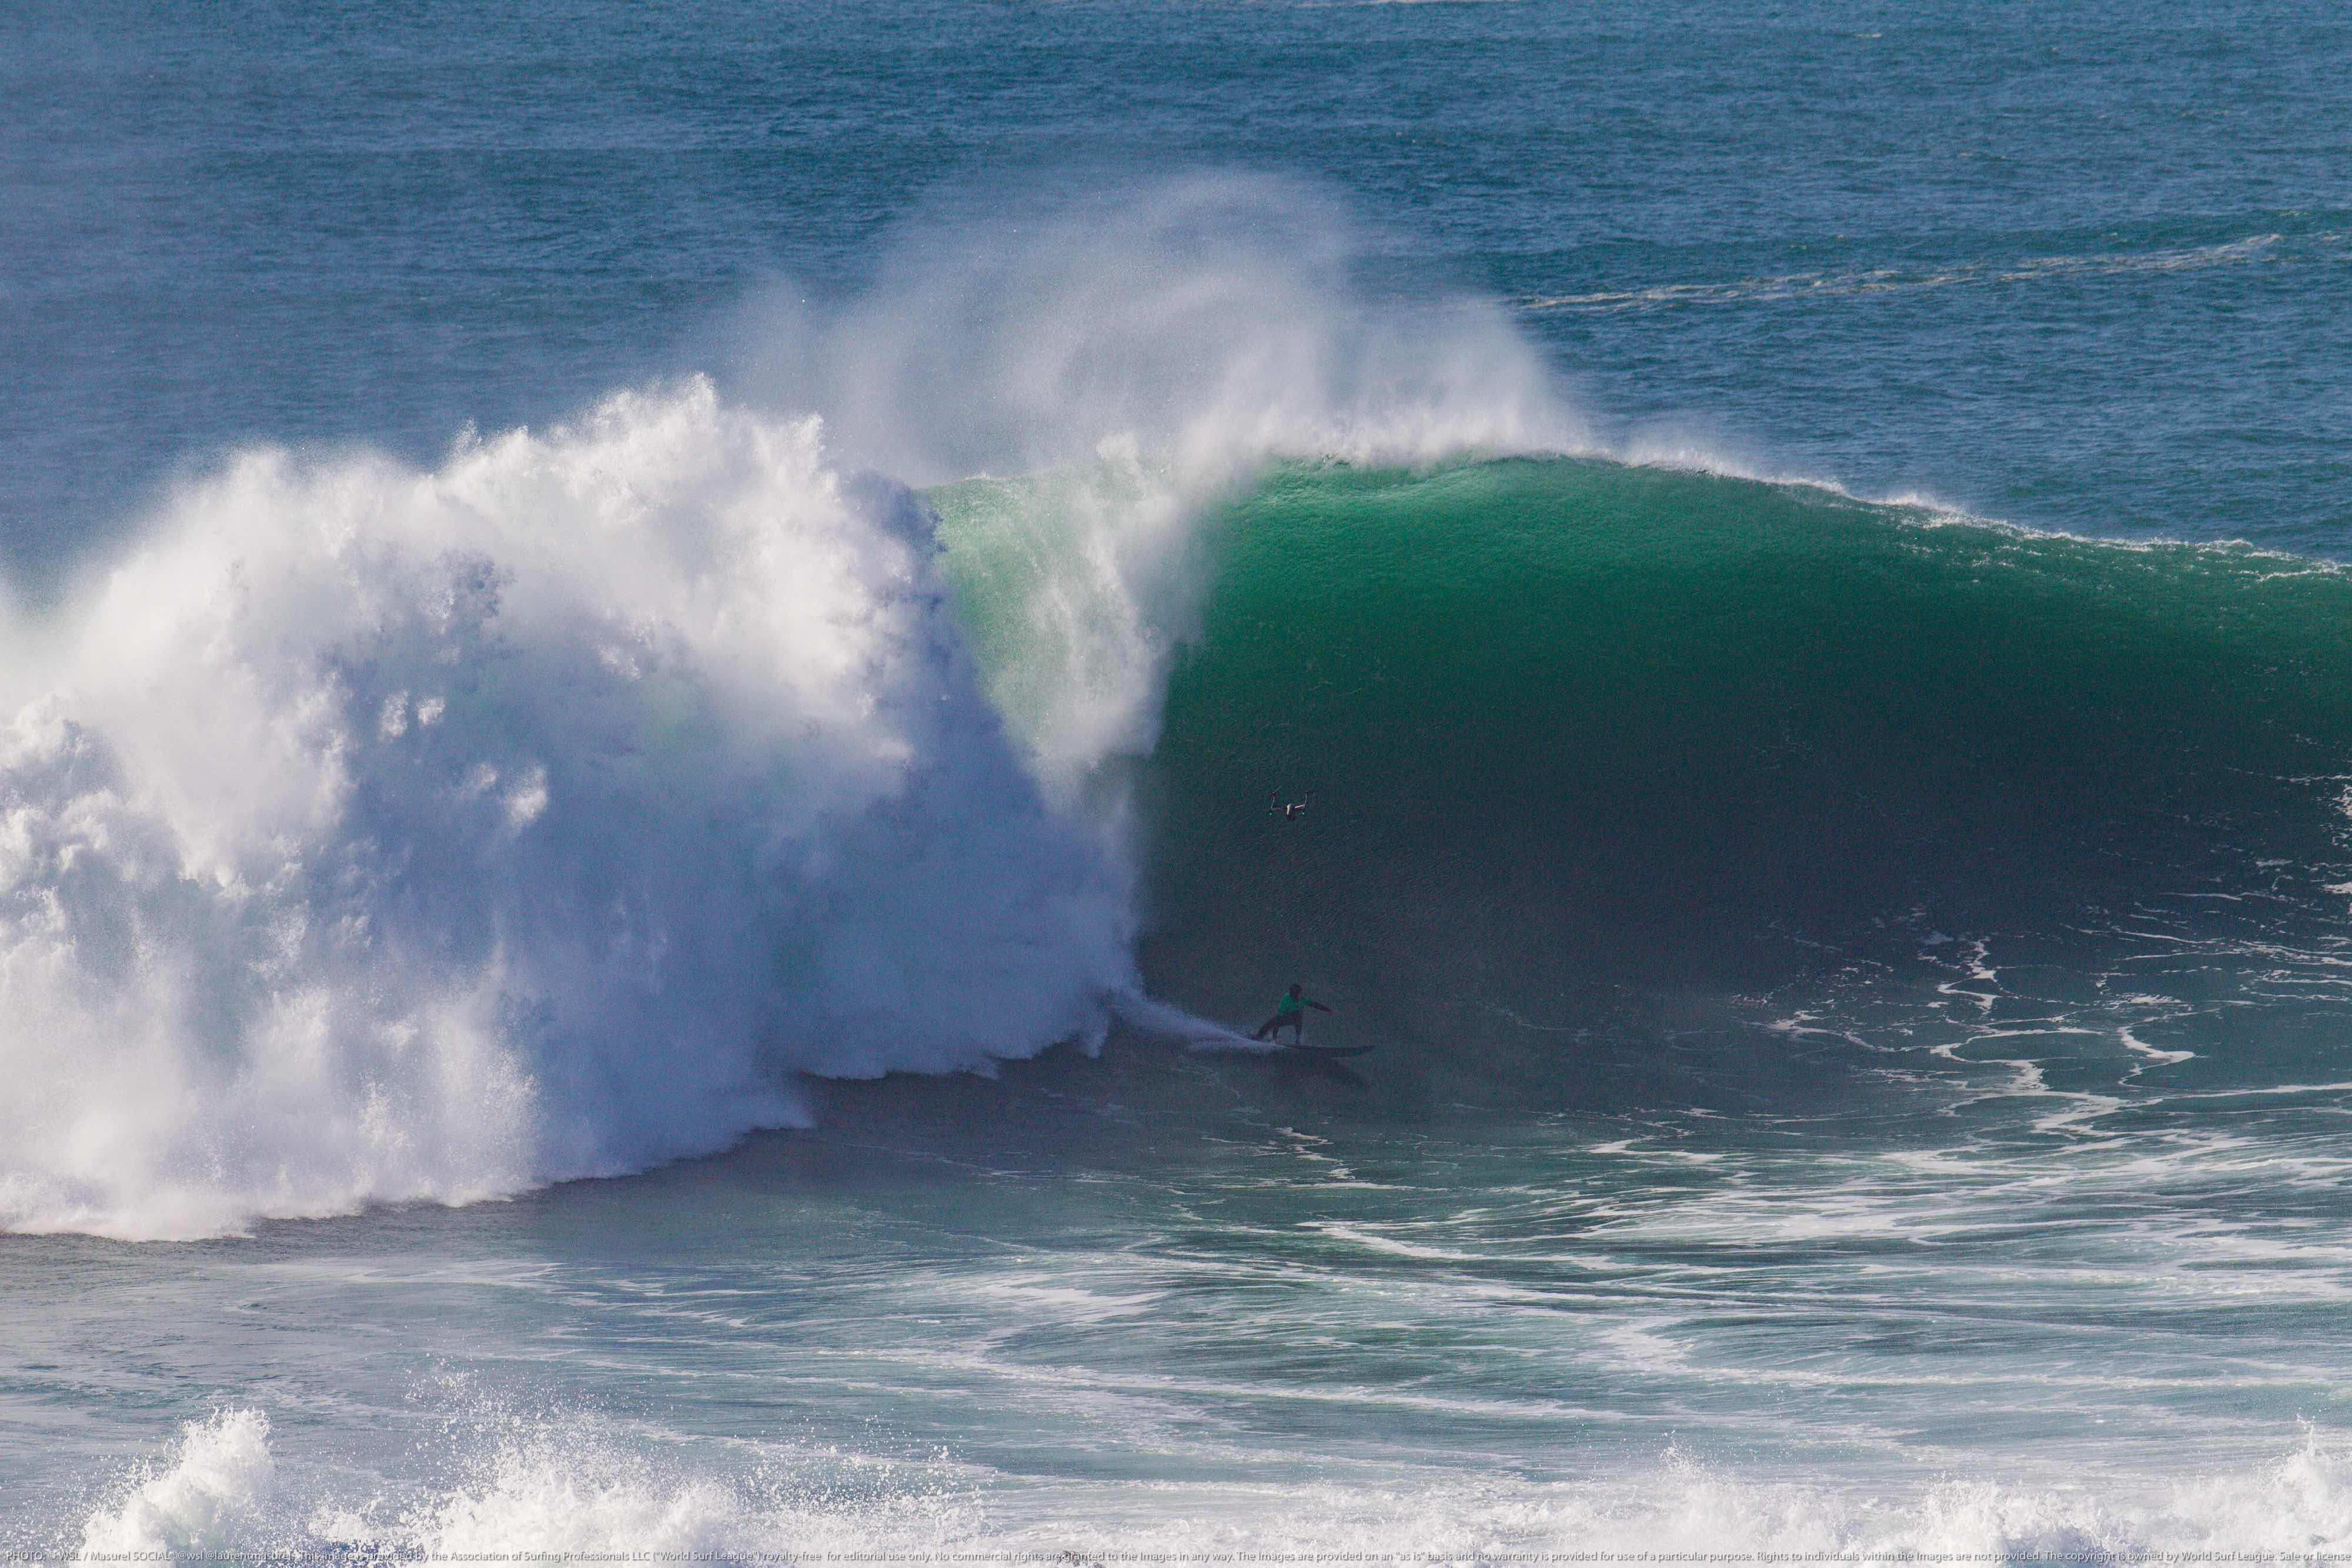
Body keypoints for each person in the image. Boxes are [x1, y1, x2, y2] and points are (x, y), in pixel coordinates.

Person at [1252, 983, 1334, 1045]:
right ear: (1294, 995)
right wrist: (1274, 1038)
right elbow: (1278, 1021)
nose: (1301, 995)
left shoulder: (1302, 999)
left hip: (1296, 1018)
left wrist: (1328, 1010)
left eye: (1301, 993)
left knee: (1299, 1016)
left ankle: (1298, 1041)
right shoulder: (1285, 1001)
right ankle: (1259, 1037)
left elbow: (1315, 1005)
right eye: (1299, 994)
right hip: (1284, 1017)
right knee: (1268, 1025)